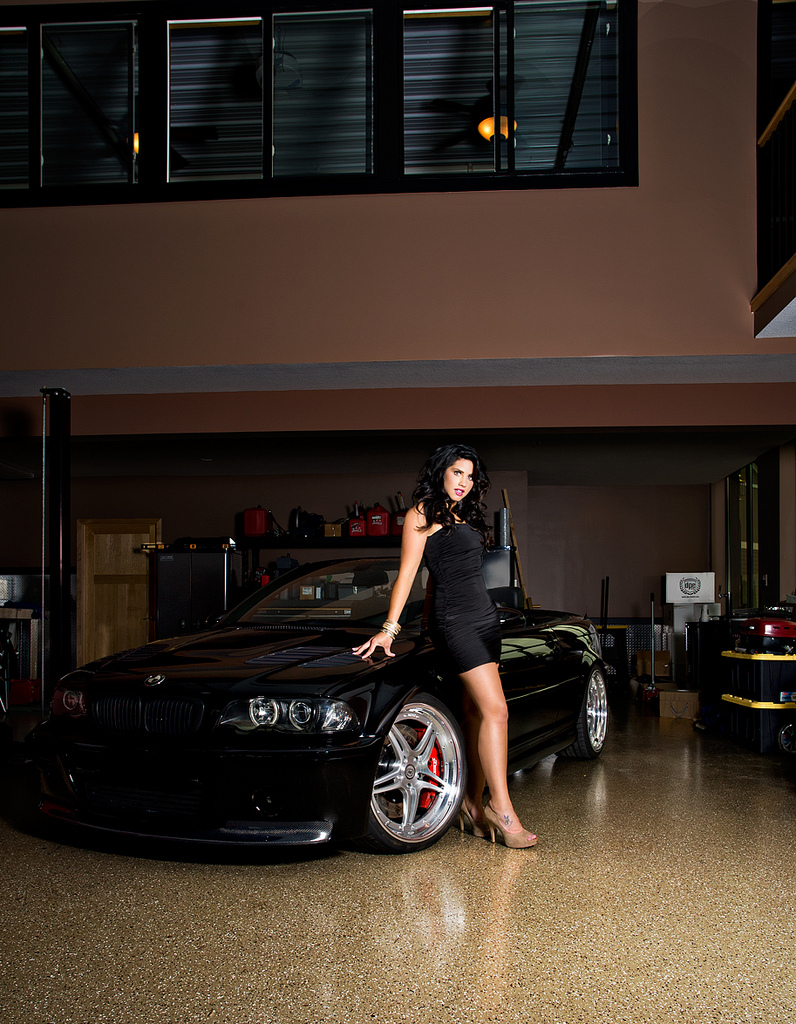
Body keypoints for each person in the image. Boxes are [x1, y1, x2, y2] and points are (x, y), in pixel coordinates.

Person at [353, 443, 537, 849]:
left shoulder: (464, 515)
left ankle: (471, 806)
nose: (464, 482)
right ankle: (501, 808)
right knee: (497, 711)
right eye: (457, 473)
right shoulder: (420, 514)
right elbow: (407, 574)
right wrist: (389, 629)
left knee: (475, 713)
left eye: (470, 476)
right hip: (457, 622)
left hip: (485, 619)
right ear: (441, 472)